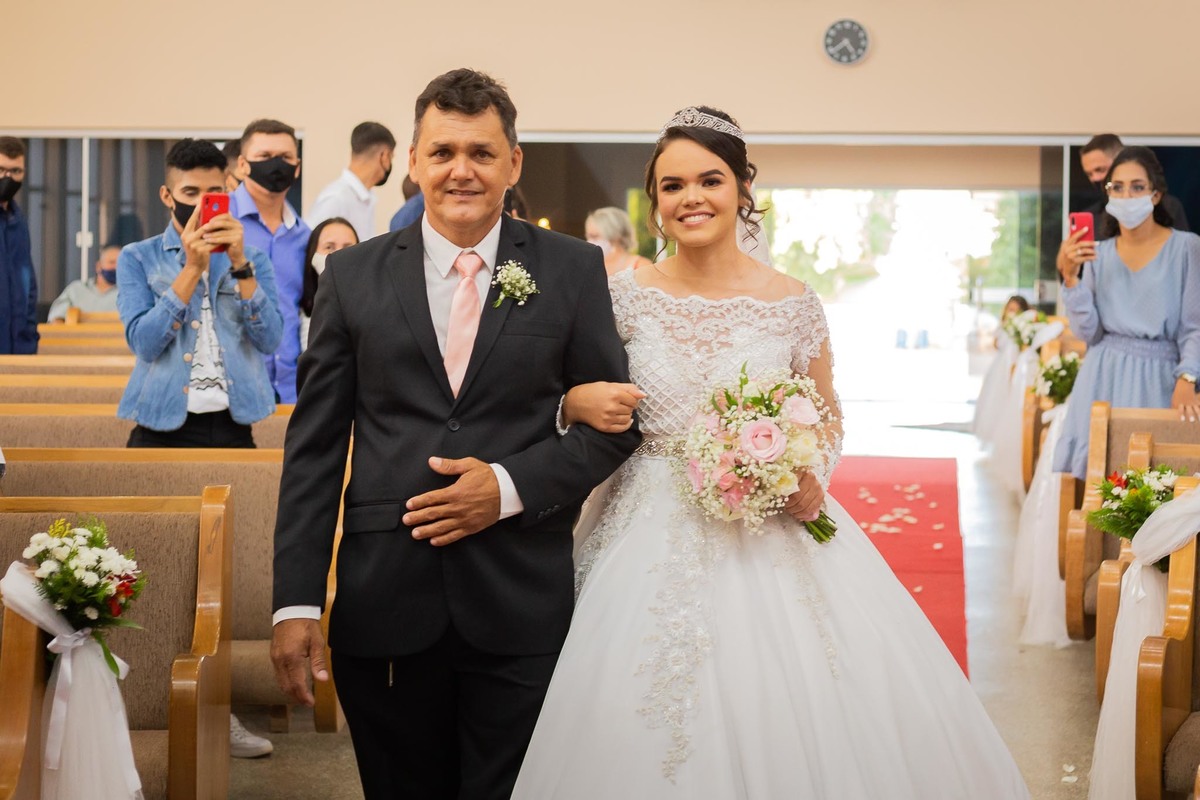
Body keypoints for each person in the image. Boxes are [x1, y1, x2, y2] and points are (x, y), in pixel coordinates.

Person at [511, 106, 1030, 798]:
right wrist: (574, 404)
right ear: (655, 203)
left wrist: (809, 473)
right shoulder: (620, 296)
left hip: (768, 525)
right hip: (643, 518)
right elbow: (569, 390)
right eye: (672, 186)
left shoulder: (791, 303)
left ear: (741, 190)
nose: (691, 197)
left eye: (710, 179)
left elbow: (827, 416)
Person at [269, 68, 641, 800]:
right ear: (412, 162)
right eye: (442, 153)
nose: (460, 170)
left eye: (480, 152)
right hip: (385, 602)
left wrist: (505, 489)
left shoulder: (570, 271)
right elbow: (313, 452)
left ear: (513, 163)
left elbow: (616, 425)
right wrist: (297, 604)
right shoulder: (353, 278)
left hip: (519, 598)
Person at [115, 138, 282, 756]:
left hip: (231, 428)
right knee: (148, 577)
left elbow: (270, 339)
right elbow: (145, 341)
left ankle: (220, 712)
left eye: (212, 196)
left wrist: (236, 264)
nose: (200, 208)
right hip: (158, 428)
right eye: (189, 196)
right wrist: (189, 268)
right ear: (168, 195)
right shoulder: (138, 257)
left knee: (223, 578)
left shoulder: (250, 256)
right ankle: (142, 703)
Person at [1052, 146, 1200, 477]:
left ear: (1156, 194)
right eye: (1116, 187)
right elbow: (1088, 333)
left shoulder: (1187, 248)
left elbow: (1195, 326)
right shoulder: (1097, 254)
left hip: (1162, 381)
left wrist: (1188, 376)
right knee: (1098, 488)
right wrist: (1071, 278)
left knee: (1158, 481)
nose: (1126, 195)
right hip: (1102, 377)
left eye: (1137, 186)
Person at [230, 119, 309, 404]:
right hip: (232, 388)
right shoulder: (218, 223)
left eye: (285, 158)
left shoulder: (305, 236)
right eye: (264, 157)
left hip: (291, 389)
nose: (275, 165)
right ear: (242, 164)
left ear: (297, 168)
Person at [1059, 134, 1190, 265]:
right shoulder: (1092, 216)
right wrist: (1066, 262)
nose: (1095, 178)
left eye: (1100, 169)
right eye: (1089, 174)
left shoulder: (1167, 206)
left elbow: (1184, 259)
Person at [305, 122, 396, 239]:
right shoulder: (336, 199)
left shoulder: (366, 198)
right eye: (391, 157)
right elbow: (313, 250)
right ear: (384, 156)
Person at [0, 136, 37, 354]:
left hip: (19, 345)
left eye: (16, 171)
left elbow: (27, 283)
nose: (8, 177)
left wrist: (29, 334)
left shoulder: (18, 221)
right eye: (1, 169)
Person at [298, 217, 358, 351]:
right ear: (313, 255)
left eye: (348, 247)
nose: (338, 255)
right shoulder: (301, 310)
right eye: (329, 247)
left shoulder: (372, 307)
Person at [47, 244, 121, 321]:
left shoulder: (129, 293)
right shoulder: (75, 289)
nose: (116, 267)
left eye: (121, 263)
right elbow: (56, 319)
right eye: (112, 262)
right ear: (98, 266)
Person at [584, 206, 652, 275]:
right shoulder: (589, 267)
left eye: (595, 237)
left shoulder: (641, 266)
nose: (589, 241)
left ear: (615, 235)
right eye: (588, 237)